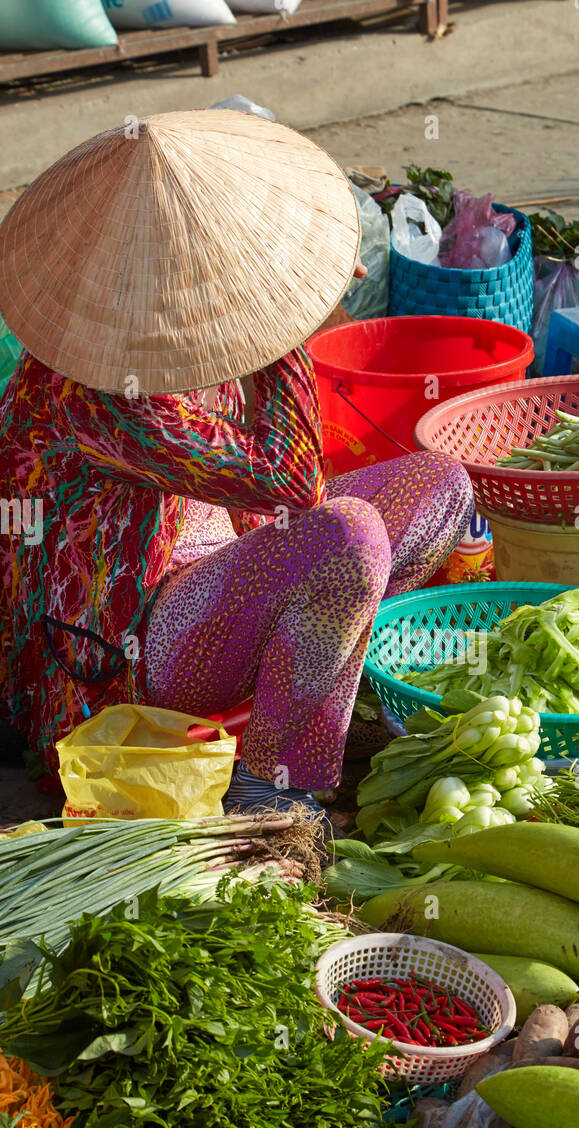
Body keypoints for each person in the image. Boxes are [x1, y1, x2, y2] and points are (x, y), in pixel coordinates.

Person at [0, 111, 473, 814]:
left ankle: (315, 683)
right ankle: (273, 792)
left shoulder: (184, 323)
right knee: (348, 536)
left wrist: (267, 308)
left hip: (219, 565)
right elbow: (292, 483)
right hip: (117, 663)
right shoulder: (98, 393)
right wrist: (278, 318)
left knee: (442, 483)